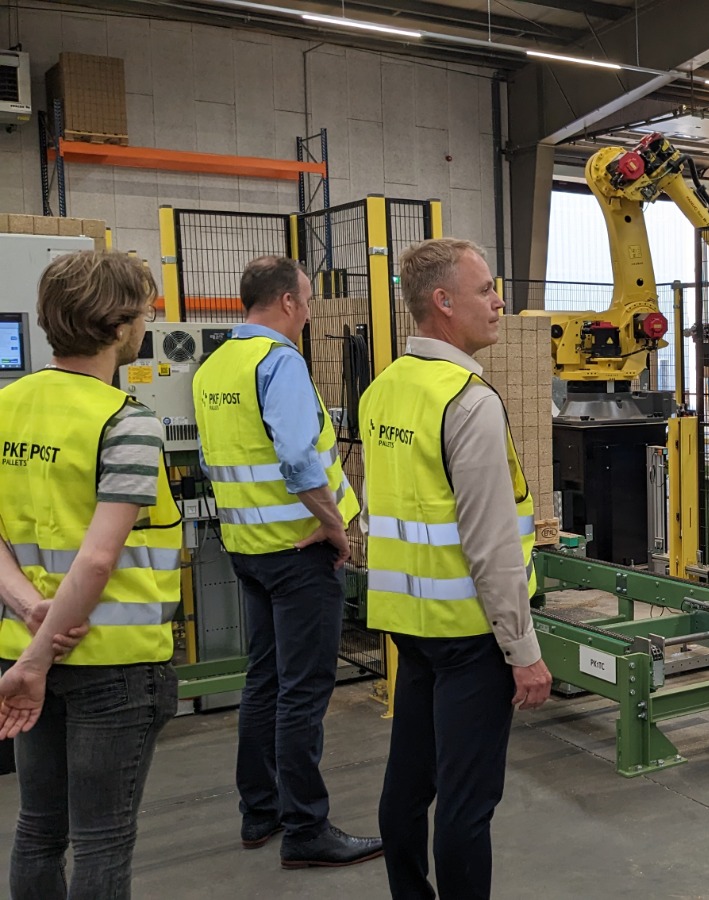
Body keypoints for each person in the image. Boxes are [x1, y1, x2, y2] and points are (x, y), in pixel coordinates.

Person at [363, 238, 552, 900]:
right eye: (486, 289)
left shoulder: (384, 390)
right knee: (468, 803)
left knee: (408, 784)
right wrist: (523, 651)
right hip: (471, 634)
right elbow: (492, 546)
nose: (499, 302)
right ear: (443, 301)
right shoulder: (468, 401)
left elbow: (382, 511)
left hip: (408, 623)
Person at [0, 250, 180, 899]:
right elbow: (99, 558)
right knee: (102, 840)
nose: (147, 324)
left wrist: (30, 613)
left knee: (38, 828)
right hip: (113, 663)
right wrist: (40, 658)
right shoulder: (126, 421)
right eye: (144, 313)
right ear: (118, 326)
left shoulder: (6, 405)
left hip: (23, 648)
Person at [190, 256, 380, 868]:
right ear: (289, 302)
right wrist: (335, 526)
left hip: (247, 549)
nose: (310, 311)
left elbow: (218, 457)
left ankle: (260, 811)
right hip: (299, 552)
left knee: (264, 681)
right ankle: (306, 829)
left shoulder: (214, 365)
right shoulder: (280, 362)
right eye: (308, 299)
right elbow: (298, 458)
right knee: (303, 691)